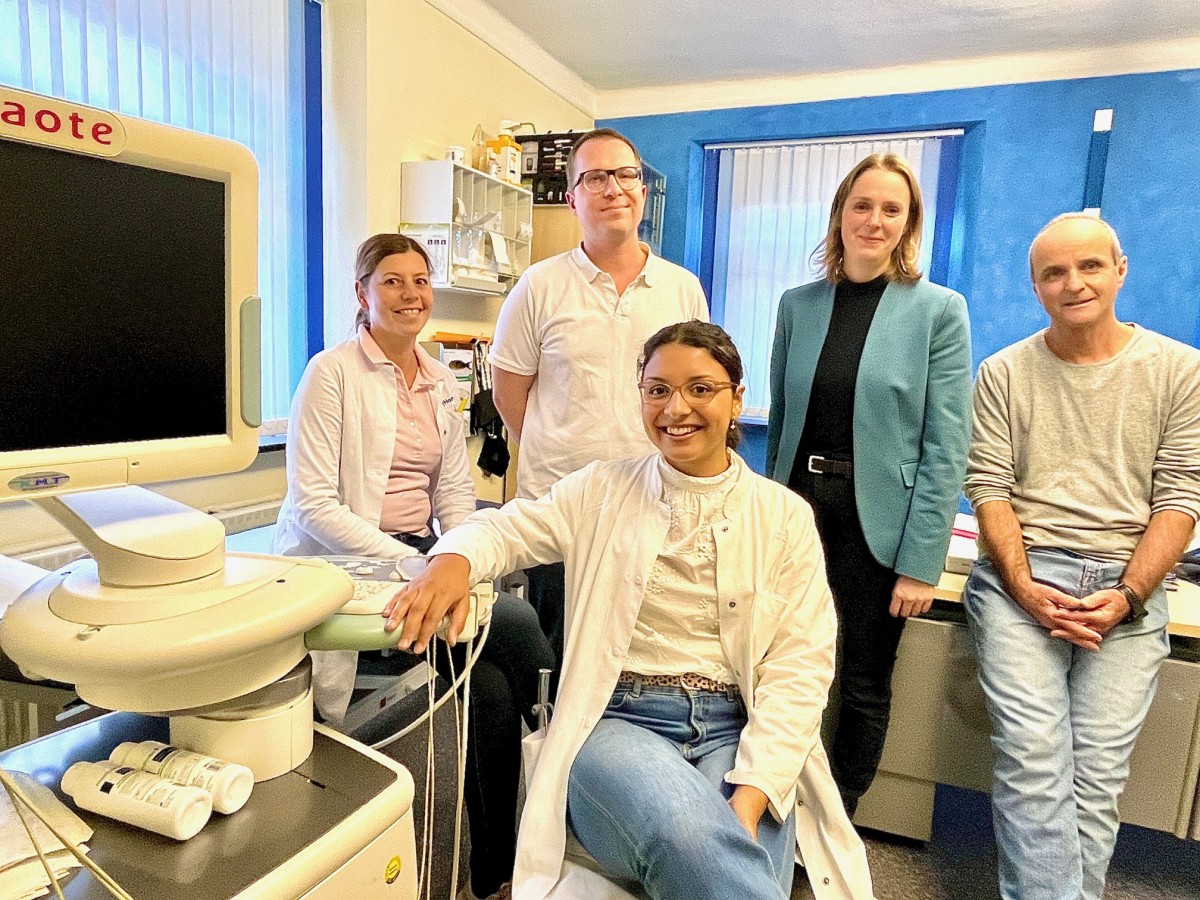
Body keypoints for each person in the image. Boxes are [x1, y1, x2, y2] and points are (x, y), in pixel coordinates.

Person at [384, 322, 874, 900]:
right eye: (658, 389)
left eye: (700, 389)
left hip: (737, 728)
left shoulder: (783, 516)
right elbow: (511, 525)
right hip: (620, 722)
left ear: (737, 399)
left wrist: (752, 792)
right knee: (691, 840)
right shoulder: (603, 489)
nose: (677, 408)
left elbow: (801, 667)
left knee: (737, 851)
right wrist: (455, 559)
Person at [272, 233, 554, 900]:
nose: (410, 294)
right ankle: (566, 738)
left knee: (484, 692)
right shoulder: (331, 371)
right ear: (362, 294)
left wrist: (458, 553)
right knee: (512, 620)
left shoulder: (436, 379)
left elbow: (455, 491)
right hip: (345, 563)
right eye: (393, 281)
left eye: (420, 281)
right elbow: (314, 504)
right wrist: (420, 564)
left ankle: (495, 877)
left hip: (423, 555)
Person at [962, 213, 1200, 900]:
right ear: (1035, 286)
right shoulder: (1004, 372)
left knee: (1095, 776)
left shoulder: (1179, 371)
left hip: (1130, 590)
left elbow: (1181, 496)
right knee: (1035, 761)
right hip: (1020, 581)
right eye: (1055, 272)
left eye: (1090, 266)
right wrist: (1028, 587)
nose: (1074, 284)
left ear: (1119, 269)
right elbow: (989, 486)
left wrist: (1126, 596)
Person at [766, 153, 972, 816]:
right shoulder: (797, 305)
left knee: (860, 681)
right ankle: (776, 806)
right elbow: (780, 425)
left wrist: (921, 565)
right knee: (782, 671)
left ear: (908, 222)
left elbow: (947, 446)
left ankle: (837, 821)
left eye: (892, 209)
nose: (875, 220)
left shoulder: (938, 310)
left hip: (879, 528)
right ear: (840, 214)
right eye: (863, 205)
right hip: (797, 514)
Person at [490, 128, 709, 667]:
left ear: (641, 190)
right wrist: (559, 444)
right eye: (594, 178)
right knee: (558, 671)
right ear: (572, 199)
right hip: (563, 516)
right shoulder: (538, 286)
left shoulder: (682, 289)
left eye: (625, 174)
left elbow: (695, 395)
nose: (613, 188)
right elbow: (508, 393)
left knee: (640, 666)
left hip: (654, 510)